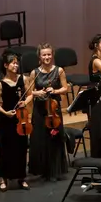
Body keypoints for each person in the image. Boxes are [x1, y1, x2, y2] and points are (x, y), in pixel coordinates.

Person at [0, 51, 32, 191]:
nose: (16, 65)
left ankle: (21, 178)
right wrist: (5, 112)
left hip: (21, 117)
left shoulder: (24, 79)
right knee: (6, 149)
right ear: (6, 65)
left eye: (16, 62)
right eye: (13, 63)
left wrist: (25, 102)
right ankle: (4, 179)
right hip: (6, 119)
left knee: (21, 147)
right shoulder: (1, 83)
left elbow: (30, 95)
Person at [28, 43, 69, 181]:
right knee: (39, 139)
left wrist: (55, 91)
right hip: (39, 110)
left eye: (49, 54)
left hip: (53, 109)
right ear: (39, 56)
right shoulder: (35, 72)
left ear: (52, 55)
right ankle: (41, 169)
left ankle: (55, 169)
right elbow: (29, 92)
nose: (47, 57)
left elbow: (65, 88)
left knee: (55, 138)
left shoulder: (59, 71)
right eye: (44, 54)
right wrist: (37, 92)